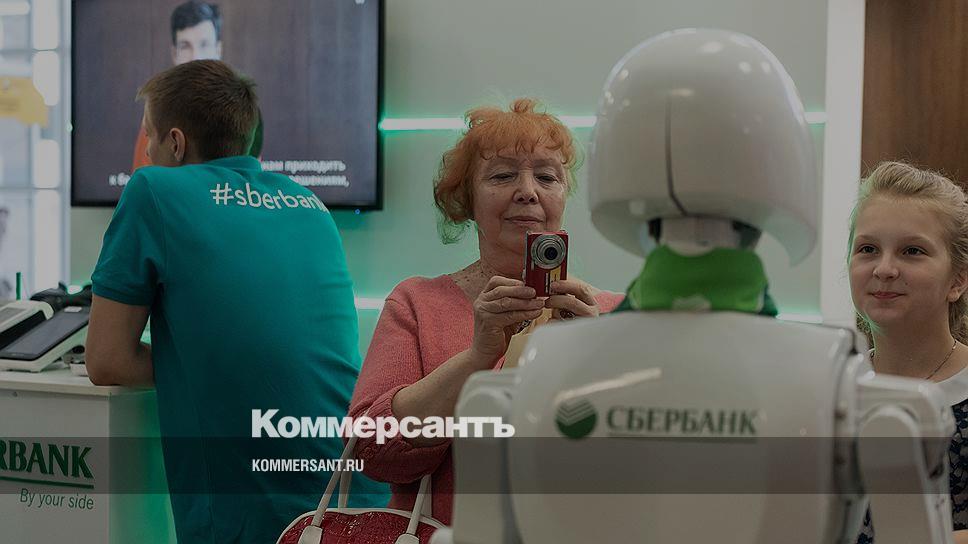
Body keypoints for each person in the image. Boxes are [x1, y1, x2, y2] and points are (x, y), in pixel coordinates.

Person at [86, 59, 387, 543]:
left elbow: (106, 359)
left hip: (259, 514)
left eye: (149, 137)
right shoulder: (309, 203)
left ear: (176, 143)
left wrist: (196, 367)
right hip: (363, 495)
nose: (146, 152)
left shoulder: (153, 188)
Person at [347, 98, 625, 525]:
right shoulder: (418, 304)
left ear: (563, 195)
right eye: (502, 175)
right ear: (466, 200)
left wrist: (597, 358)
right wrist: (476, 357)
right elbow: (371, 451)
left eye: (547, 176)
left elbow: (648, 464)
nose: (528, 191)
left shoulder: (611, 315)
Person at [848, 161, 968, 543]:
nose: (884, 269)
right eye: (868, 249)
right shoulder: (828, 391)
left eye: (911, 251)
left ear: (958, 279)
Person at [131, 1, 264, 171]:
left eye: (204, 44)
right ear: (174, 53)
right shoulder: (156, 117)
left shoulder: (245, 114)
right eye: (185, 46)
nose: (196, 56)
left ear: (218, 49)